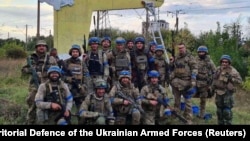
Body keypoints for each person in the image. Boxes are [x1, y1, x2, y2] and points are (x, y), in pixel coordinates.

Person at [21, 39, 58, 125]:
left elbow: (56, 70)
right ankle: (30, 122)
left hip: (48, 85)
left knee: (49, 104)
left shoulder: (51, 58)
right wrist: (31, 70)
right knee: (32, 104)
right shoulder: (30, 58)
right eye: (39, 46)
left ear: (46, 48)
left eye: (43, 46)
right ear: (36, 48)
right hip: (34, 86)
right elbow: (23, 70)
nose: (41, 47)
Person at [169, 42, 198, 124]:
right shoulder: (176, 57)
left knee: (187, 101)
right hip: (176, 82)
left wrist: (193, 79)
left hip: (186, 82)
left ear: (185, 48)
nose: (180, 49)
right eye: (179, 48)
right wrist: (171, 62)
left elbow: (195, 68)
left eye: (182, 48)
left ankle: (188, 118)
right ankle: (176, 114)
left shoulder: (190, 58)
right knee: (176, 100)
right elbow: (171, 68)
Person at [62, 44, 91, 123]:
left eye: (76, 52)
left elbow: (86, 75)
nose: (75, 53)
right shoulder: (65, 62)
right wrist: (69, 79)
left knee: (81, 108)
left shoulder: (82, 63)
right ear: (71, 52)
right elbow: (61, 76)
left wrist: (84, 86)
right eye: (73, 52)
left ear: (79, 53)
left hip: (79, 89)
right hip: (69, 89)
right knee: (67, 108)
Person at [212, 55, 242, 125]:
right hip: (218, 93)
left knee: (226, 111)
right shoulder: (218, 69)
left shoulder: (233, 71)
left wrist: (231, 78)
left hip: (227, 93)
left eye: (226, 62)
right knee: (219, 111)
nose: (224, 63)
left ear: (229, 63)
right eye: (223, 62)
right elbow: (214, 79)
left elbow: (240, 81)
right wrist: (212, 88)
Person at [194, 46, 216, 118]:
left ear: (206, 53)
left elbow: (214, 72)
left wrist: (211, 84)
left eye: (202, 52)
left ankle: (201, 115)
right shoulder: (195, 60)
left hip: (205, 84)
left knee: (203, 101)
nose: (201, 53)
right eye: (200, 52)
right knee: (187, 96)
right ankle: (187, 112)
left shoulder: (209, 61)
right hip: (195, 83)